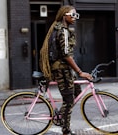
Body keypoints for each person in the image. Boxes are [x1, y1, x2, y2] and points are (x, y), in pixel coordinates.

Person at [40, 5, 93, 135]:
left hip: (66, 69)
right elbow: (66, 55)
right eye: (73, 15)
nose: (75, 18)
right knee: (68, 100)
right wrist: (80, 72)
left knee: (76, 93)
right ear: (65, 15)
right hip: (62, 69)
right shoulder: (62, 30)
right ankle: (65, 130)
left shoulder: (60, 28)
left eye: (76, 15)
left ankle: (62, 116)